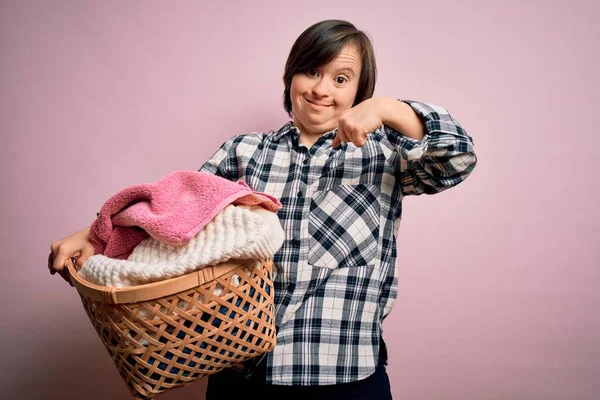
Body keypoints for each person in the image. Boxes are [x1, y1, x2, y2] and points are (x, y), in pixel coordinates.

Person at [48, 19, 477, 399]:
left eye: (341, 79)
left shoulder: (386, 154)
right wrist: (94, 234)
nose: (322, 89)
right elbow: (172, 218)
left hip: (347, 373)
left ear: (359, 94)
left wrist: (388, 108)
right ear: (291, 75)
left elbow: (458, 158)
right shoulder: (244, 152)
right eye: (311, 71)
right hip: (242, 374)